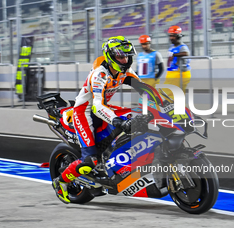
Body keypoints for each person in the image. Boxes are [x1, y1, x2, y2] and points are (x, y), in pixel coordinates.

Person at [53, 36, 158, 204]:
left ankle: (115, 163)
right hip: (84, 112)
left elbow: (145, 90)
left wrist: (165, 105)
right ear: (110, 56)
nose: (124, 60)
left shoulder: (125, 72)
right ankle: (62, 182)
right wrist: (117, 121)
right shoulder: (100, 74)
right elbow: (97, 105)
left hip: (102, 107)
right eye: (120, 56)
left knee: (135, 119)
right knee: (89, 161)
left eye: (126, 56)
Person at [163, 25, 191, 99]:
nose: (171, 38)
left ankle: (179, 109)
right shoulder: (172, 47)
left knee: (169, 92)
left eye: (173, 36)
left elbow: (186, 53)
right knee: (170, 93)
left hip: (178, 72)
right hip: (171, 72)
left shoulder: (182, 47)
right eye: (170, 35)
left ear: (178, 36)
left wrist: (174, 55)